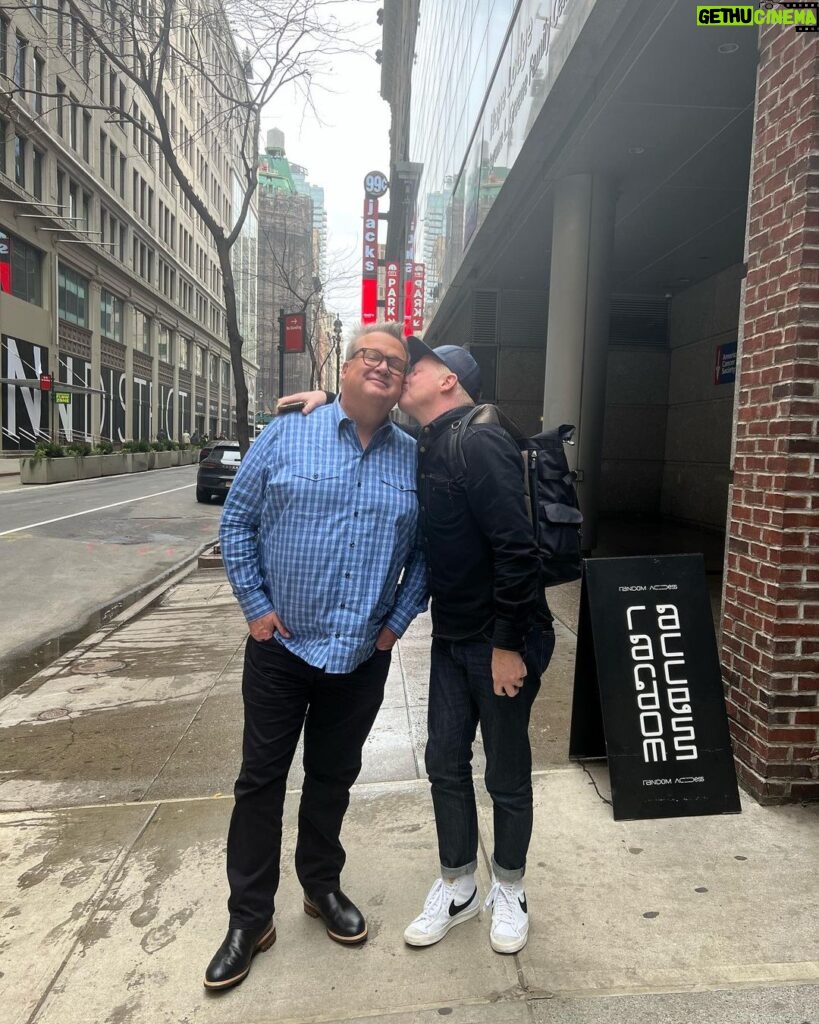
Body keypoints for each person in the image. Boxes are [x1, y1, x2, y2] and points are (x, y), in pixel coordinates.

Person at [280, 339, 554, 955]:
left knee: (506, 773)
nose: (403, 375)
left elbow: (517, 550)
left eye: (416, 367)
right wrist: (331, 399)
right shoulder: (432, 436)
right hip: (454, 637)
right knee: (445, 764)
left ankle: (508, 888)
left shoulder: (479, 440)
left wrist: (507, 646)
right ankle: (458, 884)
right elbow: (372, 417)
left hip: (500, 641)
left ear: (448, 381)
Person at [205, 323, 427, 991]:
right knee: (260, 782)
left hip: (360, 653)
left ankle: (319, 886)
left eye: (394, 362)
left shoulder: (413, 458)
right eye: (370, 356)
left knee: (332, 777)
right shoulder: (287, 432)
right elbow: (236, 522)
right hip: (281, 646)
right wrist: (254, 606)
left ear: (403, 381)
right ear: (349, 365)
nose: (382, 368)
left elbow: (425, 554)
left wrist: (393, 624)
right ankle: (249, 918)